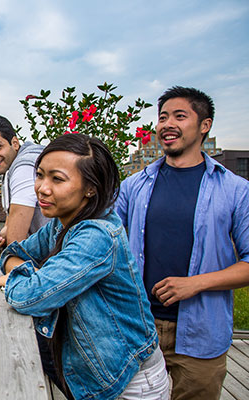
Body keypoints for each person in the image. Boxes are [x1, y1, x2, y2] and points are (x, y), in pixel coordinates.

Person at [0, 133, 169, 399]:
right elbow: (13, 251)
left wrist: (20, 276)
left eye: (57, 179)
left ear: (90, 188)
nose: (42, 187)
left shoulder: (96, 235)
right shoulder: (60, 224)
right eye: (40, 175)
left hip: (129, 381)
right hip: (99, 373)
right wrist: (26, 272)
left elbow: (32, 296)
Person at [115, 86, 249, 400]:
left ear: (205, 126)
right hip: (137, 328)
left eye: (179, 116)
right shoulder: (133, 186)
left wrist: (195, 284)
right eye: (162, 117)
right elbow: (103, 242)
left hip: (201, 335)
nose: (167, 124)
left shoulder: (236, 190)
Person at [0, 115, 49, 251]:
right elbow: (11, 225)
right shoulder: (11, 168)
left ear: (14, 143)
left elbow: (16, 244)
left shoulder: (24, 168)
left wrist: (5, 258)